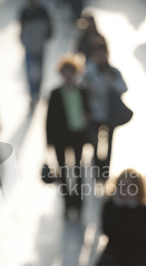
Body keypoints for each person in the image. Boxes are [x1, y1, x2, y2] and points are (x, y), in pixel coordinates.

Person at [46, 57, 90, 216]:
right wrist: (48, 142)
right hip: (60, 137)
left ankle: (78, 202)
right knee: (63, 171)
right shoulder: (55, 93)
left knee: (78, 169)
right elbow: (49, 118)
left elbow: (88, 110)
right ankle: (67, 202)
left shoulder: (83, 90)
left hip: (77, 134)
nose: (69, 75)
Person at [83, 43, 127, 179]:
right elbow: (80, 88)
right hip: (95, 114)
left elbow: (124, 88)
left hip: (109, 114)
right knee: (95, 143)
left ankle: (105, 172)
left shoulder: (113, 72)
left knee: (109, 143)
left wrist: (112, 84)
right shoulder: (89, 73)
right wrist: (88, 89)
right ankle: (97, 171)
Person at [19, 0, 53, 108]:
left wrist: (44, 39)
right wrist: (24, 41)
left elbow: (50, 28)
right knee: (30, 72)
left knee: (39, 71)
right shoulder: (25, 12)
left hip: (40, 45)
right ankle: (33, 94)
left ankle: (37, 92)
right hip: (29, 46)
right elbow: (22, 28)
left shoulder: (42, 11)